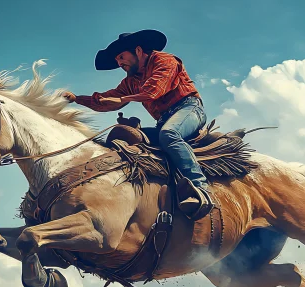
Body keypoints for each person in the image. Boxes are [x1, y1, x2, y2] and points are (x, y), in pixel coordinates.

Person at [62, 29, 215, 221]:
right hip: (164, 120)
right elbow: (107, 100)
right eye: (116, 60)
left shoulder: (165, 61)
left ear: (138, 50)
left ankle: (200, 189)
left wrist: (123, 99)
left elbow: (154, 90)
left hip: (189, 109)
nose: (119, 63)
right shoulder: (131, 81)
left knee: (169, 134)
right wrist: (77, 99)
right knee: (125, 138)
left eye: (121, 57)